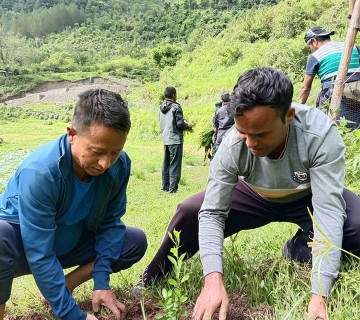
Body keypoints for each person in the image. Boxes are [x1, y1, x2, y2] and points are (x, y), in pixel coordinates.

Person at [140, 67, 360, 320]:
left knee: (356, 225)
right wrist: (212, 279)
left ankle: (298, 249)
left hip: (306, 196)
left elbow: (328, 209)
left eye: (261, 134)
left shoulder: (319, 135)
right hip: (253, 193)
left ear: (288, 116)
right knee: (191, 211)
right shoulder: (233, 144)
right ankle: (151, 277)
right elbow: (212, 213)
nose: (250, 143)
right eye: (243, 132)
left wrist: (319, 295)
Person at [0, 89, 148, 320]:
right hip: (22, 247)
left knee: (132, 241)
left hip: (69, 242)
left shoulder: (120, 166)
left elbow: (110, 222)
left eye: (115, 152)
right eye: (97, 151)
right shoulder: (41, 172)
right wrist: (73, 315)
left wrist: (102, 281)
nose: (105, 163)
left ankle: (62, 287)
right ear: (71, 134)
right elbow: (39, 252)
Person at [299, 26, 360, 129]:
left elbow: (305, 88)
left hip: (338, 97)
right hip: (358, 91)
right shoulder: (353, 47)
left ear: (314, 41)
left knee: (323, 101)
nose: (311, 50)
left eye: (309, 47)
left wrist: (298, 108)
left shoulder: (315, 56)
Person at [159, 86, 193, 193]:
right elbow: (180, 124)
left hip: (166, 139)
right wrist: (188, 126)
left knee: (166, 163)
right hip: (175, 139)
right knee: (175, 164)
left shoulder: (161, 107)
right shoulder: (176, 107)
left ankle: (165, 186)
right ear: (173, 95)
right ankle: (173, 189)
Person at [212, 93, 235, 158]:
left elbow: (216, 124)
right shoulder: (234, 109)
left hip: (221, 134)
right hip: (232, 133)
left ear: (222, 101)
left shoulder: (219, 111)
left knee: (218, 153)